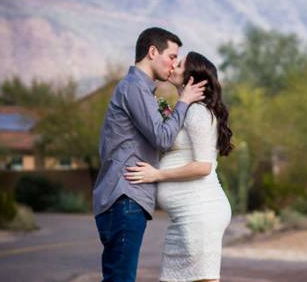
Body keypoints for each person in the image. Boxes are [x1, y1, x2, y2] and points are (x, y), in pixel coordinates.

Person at [93, 27, 207, 282]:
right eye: (172, 57)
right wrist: (185, 101)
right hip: (125, 197)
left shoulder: (139, 90)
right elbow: (163, 138)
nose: (174, 65)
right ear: (152, 52)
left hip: (123, 199)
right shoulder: (134, 87)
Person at [125, 51, 234, 282]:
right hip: (187, 217)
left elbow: (203, 166)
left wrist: (157, 175)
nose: (173, 66)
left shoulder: (197, 112)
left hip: (199, 214)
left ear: (191, 77)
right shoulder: (185, 110)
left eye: (180, 64)